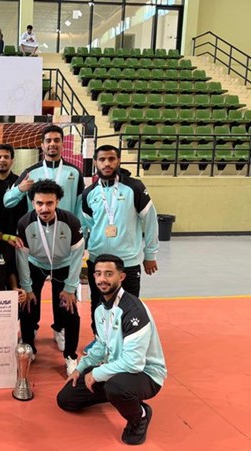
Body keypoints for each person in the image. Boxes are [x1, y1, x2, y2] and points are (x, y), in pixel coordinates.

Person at [57, 254, 166, 446]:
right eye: (98, 274)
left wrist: (96, 373)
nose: (102, 279)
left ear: (121, 277)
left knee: (116, 388)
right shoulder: (101, 309)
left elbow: (133, 363)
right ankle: (117, 395)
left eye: (109, 274)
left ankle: (140, 416)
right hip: (116, 369)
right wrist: (80, 369)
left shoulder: (133, 310)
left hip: (145, 374)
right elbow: (101, 345)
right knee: (66, 399)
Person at [82, 144, 159, 351]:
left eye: (111, 159)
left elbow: (150, 220)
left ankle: (128, 343)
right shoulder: (89, 193)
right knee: (98, 303)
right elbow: (88, 226)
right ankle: (100, 341)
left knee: (129, 304)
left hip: (127, 261)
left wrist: (150, 254)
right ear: (95, 163)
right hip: (98, 260)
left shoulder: (135, 187)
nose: (107, 163)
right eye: (102, 160)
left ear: (118, 161)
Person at [16, 180, 84, 374]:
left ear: (57, 202)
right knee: (27, 305)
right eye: (39, 203)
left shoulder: (71, 222)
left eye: (49, 203)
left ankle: (70, 356)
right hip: (36, 264)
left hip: (63, 265)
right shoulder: (24, 223)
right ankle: (29, 346)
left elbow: (78, 256)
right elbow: (21, 258)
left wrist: (70, 288)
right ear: (33, 203)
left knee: (70, 309)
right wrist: (27, 288)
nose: (44, 208)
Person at [4, 125, 84, 219]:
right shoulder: (30, 173)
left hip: (66, 226)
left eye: (56, 140)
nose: (52, 144)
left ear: (63, 144)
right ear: (42, 145)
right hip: (37, 226)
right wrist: (19, 189)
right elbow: (7, 202)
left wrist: (79, 227)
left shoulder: (75, 172)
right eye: (48, 140)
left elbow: (80, 207)